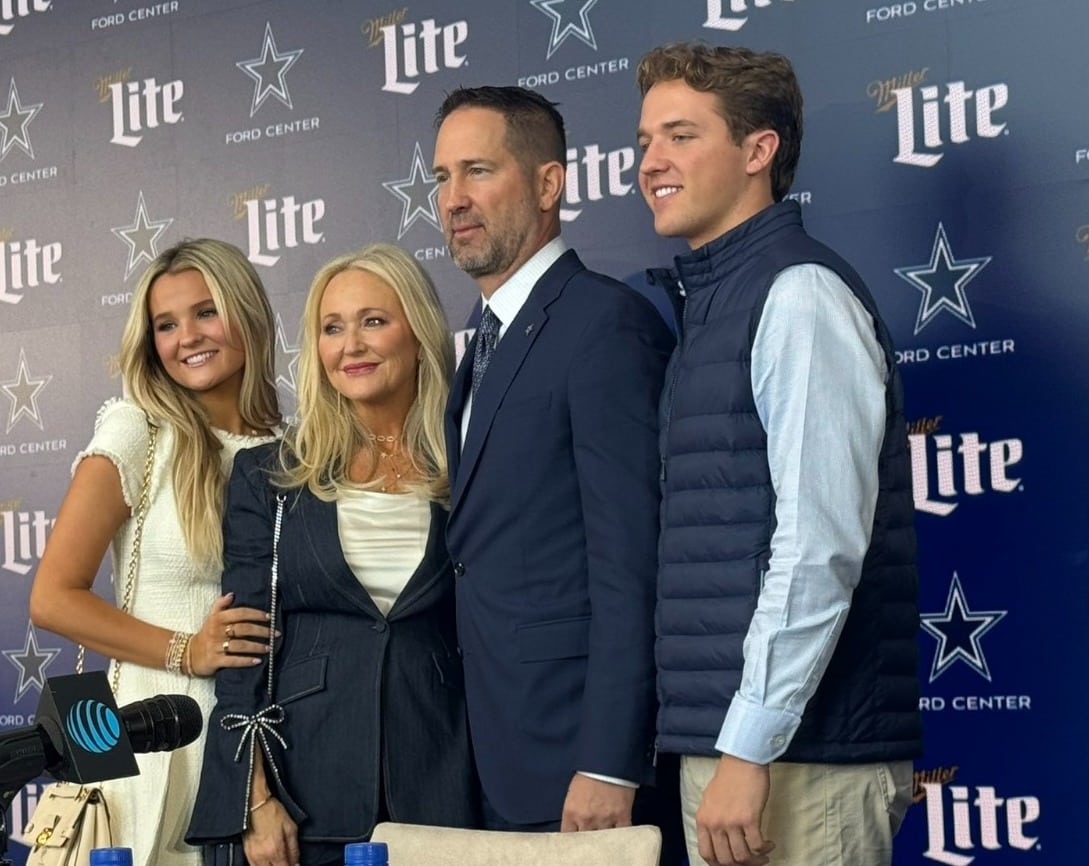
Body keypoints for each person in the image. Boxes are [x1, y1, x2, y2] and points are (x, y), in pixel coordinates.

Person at [636, 42, 923, 866]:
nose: (651, 161)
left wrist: (748, 746)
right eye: (646, 140)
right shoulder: (719, 298)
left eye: (681, 135)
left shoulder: (798, 295)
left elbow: (817, 547)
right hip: (740, 750)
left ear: (758, 151)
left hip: (796, 759)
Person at [431, 85, 674, 832]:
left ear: (547, 183)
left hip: (578, 761)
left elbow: (632, 562)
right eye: (441, 178)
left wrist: (609, 760)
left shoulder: (604, 325)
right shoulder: (478, 344)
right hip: (488, 753)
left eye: (478, 171)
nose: (453, 199)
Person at [186, 244, 477, 866]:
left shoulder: (473, 467)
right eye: (332, 327)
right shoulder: (270, 476)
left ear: (419, 331)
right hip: (303, 788)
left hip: (446, 778)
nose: (352, 345)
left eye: (374, 321)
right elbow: (242, 650)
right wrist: (254, 796)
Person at [29, 238, 281, 866]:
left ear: (246, 313)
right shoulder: (137, 429)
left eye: (205, 312)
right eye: (165, 324)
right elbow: (53, 597)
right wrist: (187, 649)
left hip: (265, 744)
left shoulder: (293, 447)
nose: (185, 337)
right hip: (155, 741)